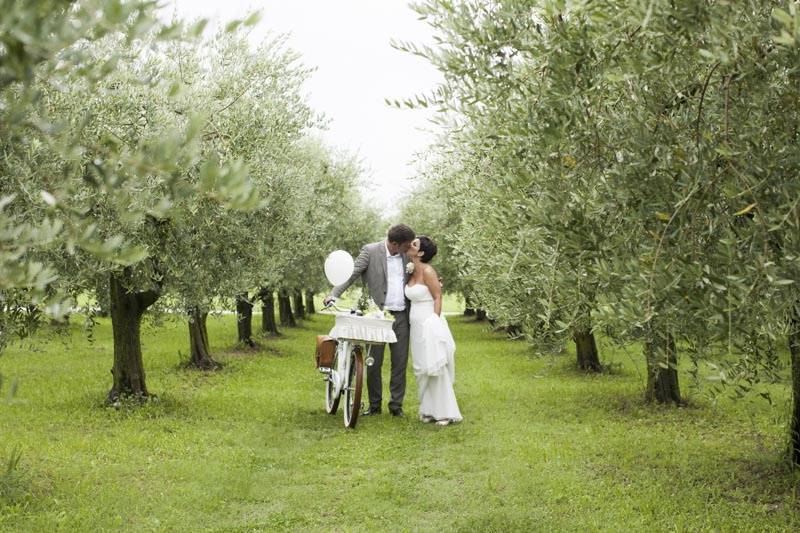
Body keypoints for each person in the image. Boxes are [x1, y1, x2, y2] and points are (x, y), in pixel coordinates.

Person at [323, 224, 415, 417]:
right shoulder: (370, 251)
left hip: (401, 317)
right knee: (374, 363)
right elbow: (351, 275)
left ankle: (396, 406)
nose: (409, 249)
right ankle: (375, 406)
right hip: (377, 317)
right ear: (395, 243)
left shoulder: (408, 256)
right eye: (406, 246)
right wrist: (333, 295)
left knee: (399, 364)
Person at [405, 236, 462, 426]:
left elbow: (438, 297)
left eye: (414, 244)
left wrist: (435, 321)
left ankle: (445, 412)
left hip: (428, 322)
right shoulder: (411, 269)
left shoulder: (428, 271)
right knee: (421, 367)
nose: (409, 245)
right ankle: (428, 409)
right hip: (415, 325)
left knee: (434, 364)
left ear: (420, 252)